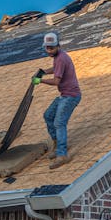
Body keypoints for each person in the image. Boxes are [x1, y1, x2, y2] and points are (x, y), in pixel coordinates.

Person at [33, 32, 81, 169]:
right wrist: (43, 72)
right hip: (64, 95)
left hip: (70, 96)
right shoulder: (59, 56)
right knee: (48, 115)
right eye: (47, 48)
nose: (49, 51)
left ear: (58, 46)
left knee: (59, 123)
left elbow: (56, 81)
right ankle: (59, 143)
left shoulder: (60, 58)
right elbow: (56, 69)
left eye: (51, 48)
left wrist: (40, 80)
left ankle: (62, 155)